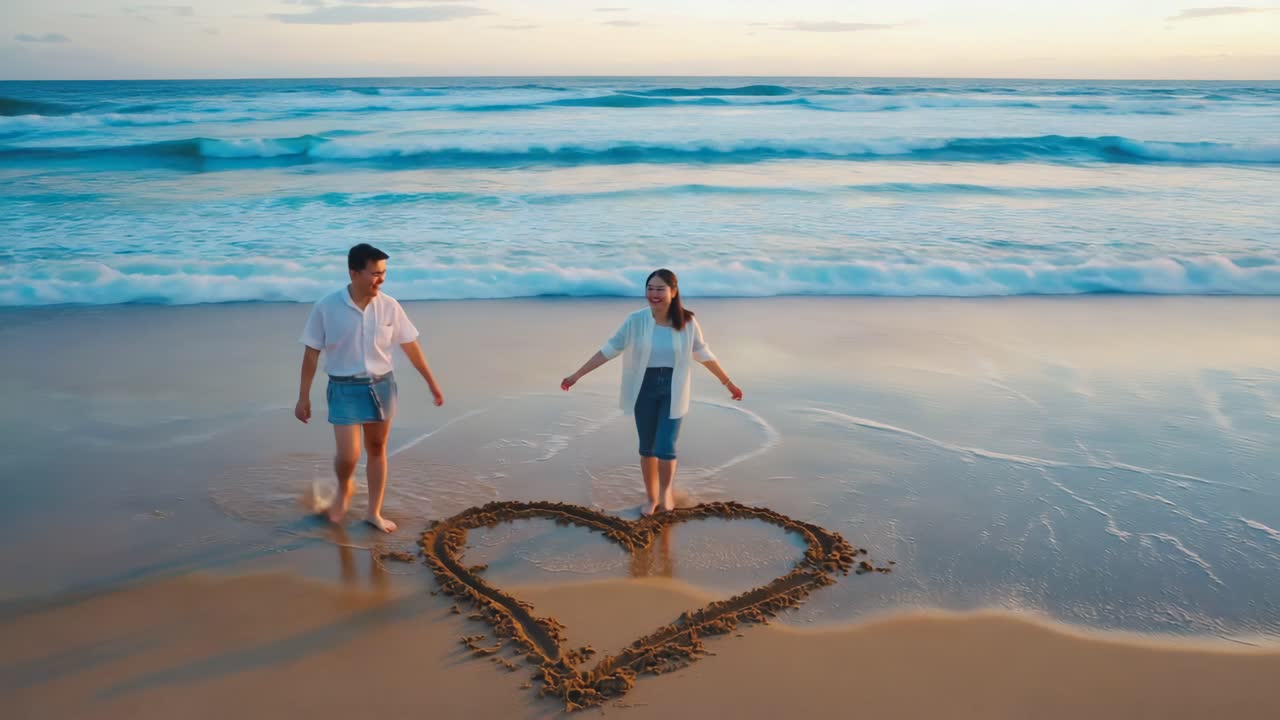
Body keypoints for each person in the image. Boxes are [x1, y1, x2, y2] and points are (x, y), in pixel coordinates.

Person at [561, 269, 743, 515]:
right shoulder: (635, 320)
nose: (653, 294)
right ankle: (651, 498)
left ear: (673, 292)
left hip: (673, 389)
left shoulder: (687, 322)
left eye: (660, 289)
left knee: (665, 446)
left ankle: (665, 493)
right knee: (647, 447)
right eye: (650, 288)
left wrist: (727, 382)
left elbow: (703, 354)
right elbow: (609, 349)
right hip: (643, 389)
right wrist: (577, 375)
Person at [294, 243, 444, 532]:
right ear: (354, 273)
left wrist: (431, 382)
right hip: (343, 388)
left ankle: (373, 512)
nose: (381, 279)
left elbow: (411, 346)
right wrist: (303, 397)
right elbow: (311, 352)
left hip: (381, 387)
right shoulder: (327, 306)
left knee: (377, 449)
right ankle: (345, 487)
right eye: (375, 273)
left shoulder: (390, 306)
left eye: (384, 272)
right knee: (348, 456)